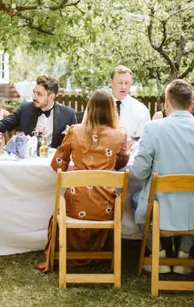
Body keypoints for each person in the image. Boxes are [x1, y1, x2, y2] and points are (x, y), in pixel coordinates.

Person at [131, 79, 194, 275]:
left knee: (134, 199)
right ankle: (184, 255)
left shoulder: (153, 128)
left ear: (166, 103)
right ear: (192, 105)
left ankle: (160, 256)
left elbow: (139, 172)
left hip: (160, 211)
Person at [37, 90, 130, 272]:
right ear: (112, 110)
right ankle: (97, 254)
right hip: (105, 208)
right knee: (104, 201)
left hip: (76, 205)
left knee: (62, 206)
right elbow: (121, 163)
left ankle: (67, 253)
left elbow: (57, 164)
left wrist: (76, 168)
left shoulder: (75, 131)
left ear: (90, 108)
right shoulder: (120, 136)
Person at [0, 75, 76, 148]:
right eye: (34, 92)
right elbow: (2, 125)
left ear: (51, 97)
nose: (34, 97)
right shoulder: (25, 109)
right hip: (27, 162)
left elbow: (74, 143)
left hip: (53, 164)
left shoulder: (68, 114)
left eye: (39, 94)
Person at [109, 65, 150, 139]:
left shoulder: (141, 110)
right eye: (120, 82)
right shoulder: (97, 105)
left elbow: (144, 140)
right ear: (111, 82)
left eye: (127, 83)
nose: (123, 87)